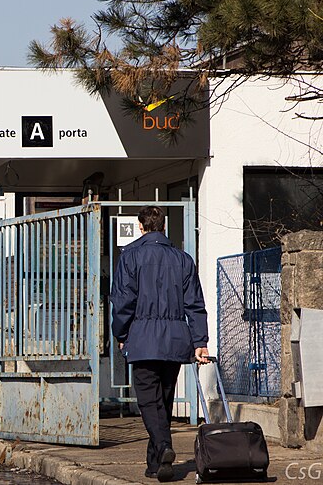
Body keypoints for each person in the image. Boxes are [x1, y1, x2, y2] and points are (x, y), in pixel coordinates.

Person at [110, 206, 210, 482]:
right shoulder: (183, 259)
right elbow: (195, 304)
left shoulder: (130, 257)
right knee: (163, 400)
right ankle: (155, 464)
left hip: (142, 339)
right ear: (163, 227)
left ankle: (164, 446)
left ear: (141, 227)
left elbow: (122, 302)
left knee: (148, 401)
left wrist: (121, 334)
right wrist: (200, 340)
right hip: (176, 340)